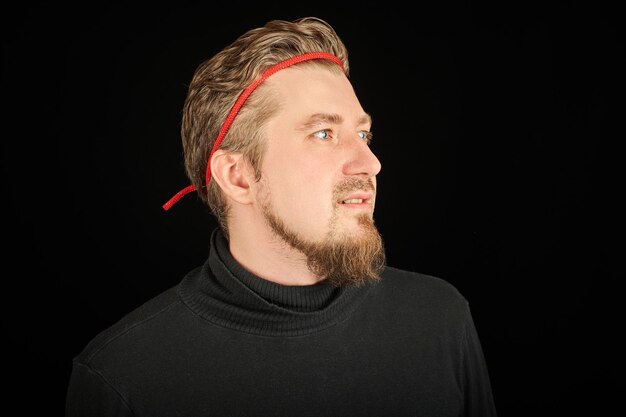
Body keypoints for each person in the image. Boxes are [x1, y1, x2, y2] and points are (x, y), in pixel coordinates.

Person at [65, 16, 497, 417]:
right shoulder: (123, 377)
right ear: (238, 177)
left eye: (363, 133)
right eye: (324, 133)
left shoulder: (438, 320)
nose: (370, 162)